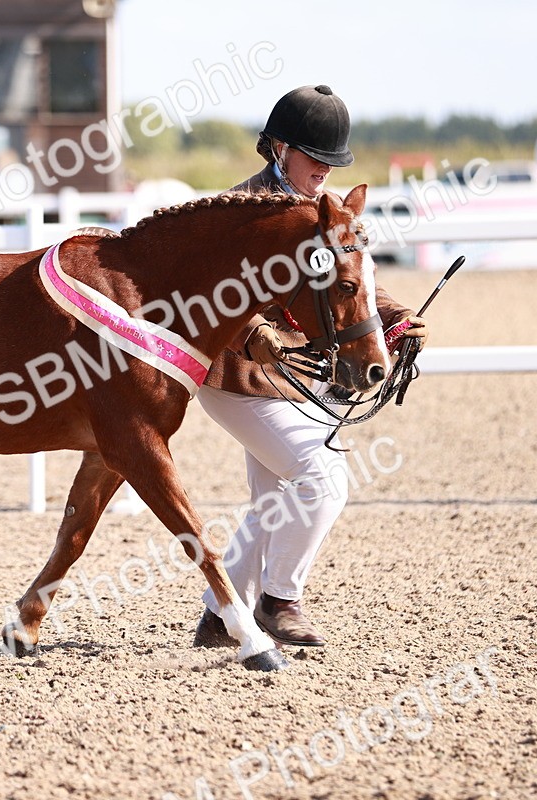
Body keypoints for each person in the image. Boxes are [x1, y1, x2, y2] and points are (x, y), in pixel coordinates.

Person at [193, 85, 427, 649]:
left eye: (332, 161)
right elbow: (208, 294)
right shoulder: (237, 212)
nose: (324, 170)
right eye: (314, 158)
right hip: (235, 374)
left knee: (276, 500)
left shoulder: (327, 213)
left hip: (297, 375)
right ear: (278, 148)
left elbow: (353, 284)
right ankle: (280, 600)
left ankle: (222, 617)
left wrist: (395, 317)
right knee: (322, 480)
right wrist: (256, 332)